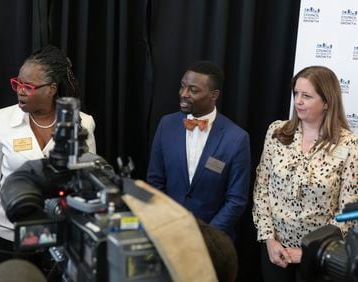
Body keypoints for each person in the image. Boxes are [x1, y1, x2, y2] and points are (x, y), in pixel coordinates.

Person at [0, 45, 96, 253]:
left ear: (51, 89)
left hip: (59, 233)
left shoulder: (82, 123)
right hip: (10, 230)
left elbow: (87, 182)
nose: (20, 90)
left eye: (28, 86)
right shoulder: (3, 119)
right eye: (18, 83)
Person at [252, 66, 358, 282]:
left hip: (319, 258)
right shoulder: (277, 132)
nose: (298, 101)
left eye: (306, 96)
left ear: (327, 101)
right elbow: (261, 188)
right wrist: (269, 240)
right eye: (296, 94)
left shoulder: (349, 145)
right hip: (275, 251)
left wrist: (311, 250)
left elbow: (348, 211)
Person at [147, 61, 251, 239]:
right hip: (169, 232)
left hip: (214, 241)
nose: (183, 94)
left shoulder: (236, 138)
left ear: (214, 95)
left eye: (193, 90)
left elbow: (236, 200)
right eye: (182, 87)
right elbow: (155, 181)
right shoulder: (167, 125)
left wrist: (207, 236)